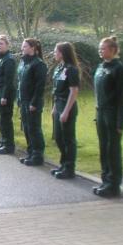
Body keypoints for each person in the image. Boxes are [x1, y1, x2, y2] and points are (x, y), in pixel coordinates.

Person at [93, 36, 123, 197]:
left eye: (104, 48)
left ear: (113, 50)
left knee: (112, 149)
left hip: (112, 114)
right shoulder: (101, 67)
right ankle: (105, 180)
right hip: (101, 112)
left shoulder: (119, 69)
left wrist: (120, 122)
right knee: (103, 147)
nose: (101, 50)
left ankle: (114, 184)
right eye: (100, 48)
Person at [50, 42, 80, 180]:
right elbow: (57, 91)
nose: (54, 53)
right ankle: (63, 164)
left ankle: (69, 167)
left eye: (56, 51)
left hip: (67, 106)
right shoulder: (59, 68)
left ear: (62, 53)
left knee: (68, 139)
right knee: (58, 137)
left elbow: (73, 91)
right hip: (59, 104)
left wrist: (66, 111)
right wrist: (55, 109)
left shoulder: (71, 69)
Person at [17, 38, 48, 166]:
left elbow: (40, 86)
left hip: (32, 102)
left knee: (34, 128)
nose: (22, 48)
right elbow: (20, 82)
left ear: (33, 48)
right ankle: (30, 152)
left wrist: (34, 102)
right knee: (26, 127)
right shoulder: (23, 63)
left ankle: (37, 155)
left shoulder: (38, 64)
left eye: (25, 46)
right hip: (24, 100)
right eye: (22, 46)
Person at [0, 35, 16, 155]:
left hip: (5, 95)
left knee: (5, 120)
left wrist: (4, 96)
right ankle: (3, 141)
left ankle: (9, 145)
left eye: (1, 43)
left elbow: (8, 81)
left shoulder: (9, 60)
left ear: (7, 45)